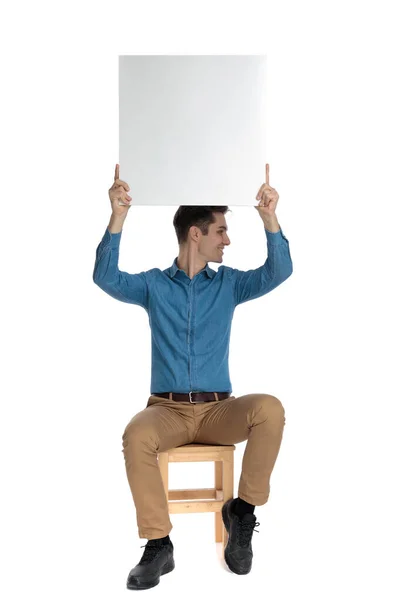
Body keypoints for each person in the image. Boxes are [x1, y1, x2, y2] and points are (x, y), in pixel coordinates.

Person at [93, 163, 293, 589]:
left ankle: (242, 513)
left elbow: (279, 272)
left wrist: (270, 219)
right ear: (195, 234)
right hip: (167, 411)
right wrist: (118, 216)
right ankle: (159, 544)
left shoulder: (229, 285)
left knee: (269, 409)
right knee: (136, 435)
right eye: (221, 231)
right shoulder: (152, 285)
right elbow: (104, 277)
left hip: (219, 410)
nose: (228, 240)